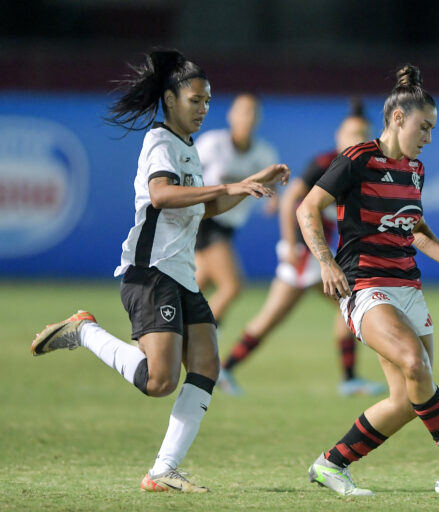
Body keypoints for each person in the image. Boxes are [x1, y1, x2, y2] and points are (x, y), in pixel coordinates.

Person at [29, 49, 289, 492]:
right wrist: (228, 183)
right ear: (170, 99)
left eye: (208, 101)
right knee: (159, 381)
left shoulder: (187, 149)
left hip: (182, 274)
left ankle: (163, 470)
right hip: (150, 273)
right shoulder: (160, 141)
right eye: (195, 100)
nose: (204, 109)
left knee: (206, 362)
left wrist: (250, 186)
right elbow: (162, 195)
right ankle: (84, 330)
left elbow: (205, 209)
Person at [297, 65, 439, 497]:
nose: (429, 138)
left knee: (408, 399)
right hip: (365, 285)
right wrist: (325, 260)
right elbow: (306, 208)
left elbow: (414, 228)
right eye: (425, 127)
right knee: (416, 365)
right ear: (399, 119)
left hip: (407, 287)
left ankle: (331, 464)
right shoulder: (358, 159)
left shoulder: (414, 170)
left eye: (432, 130)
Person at [217, 100, 386, 398]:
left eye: (363, 133)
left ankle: (225, 370)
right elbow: (290, 198)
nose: (357, 139)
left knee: (340, 307)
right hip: (306, 255)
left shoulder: (365, 170)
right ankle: (224, 370)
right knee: (339, 305)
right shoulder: (327, 163)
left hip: (317, 257)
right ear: (339, 136)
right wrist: (289, 242)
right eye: (351, 133)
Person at [194, 93, 280, 324]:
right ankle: (199, 337)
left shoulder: (263, 153)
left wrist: (274, 199)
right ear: (231, 115)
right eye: (243, 111)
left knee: (194, 286)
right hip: (205, 220)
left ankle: (157, 332)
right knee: (232, 285)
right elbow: (186, 175)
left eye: (253, 112)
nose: (248, 117)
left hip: (228, 227)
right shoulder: (213, 144)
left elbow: (272, 180)